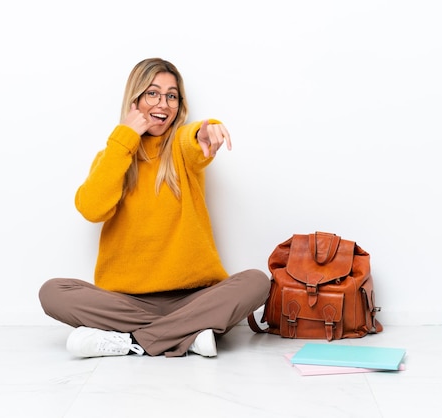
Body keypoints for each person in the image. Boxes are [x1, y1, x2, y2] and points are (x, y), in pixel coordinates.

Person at [39, 58, 270, 358]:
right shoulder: (114, 155)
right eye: (153, 93)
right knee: (52, 292)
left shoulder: (181, 149)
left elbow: (194, 139)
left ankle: (131, 341)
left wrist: (206, 132)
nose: (164, 103)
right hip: (126, 302)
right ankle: (189, 334)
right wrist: (125, 138)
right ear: (134, 99)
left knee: (257, 282)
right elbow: (92, 208)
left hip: (193, 298)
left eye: (172, 95)